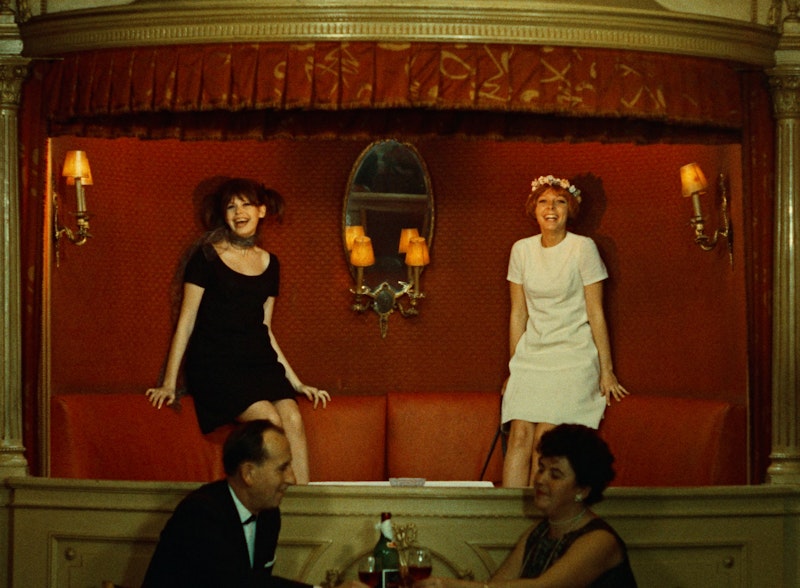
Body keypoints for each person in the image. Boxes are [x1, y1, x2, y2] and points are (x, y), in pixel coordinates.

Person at [146, 177, 329, 484]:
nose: (238, 212)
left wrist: (296, 382)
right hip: (216, 365)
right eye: (231, 206)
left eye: (246, 204)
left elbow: (265, 329)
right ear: (224, 214)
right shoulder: (206, 256)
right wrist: (168, 383)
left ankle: (302, 506)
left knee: (293, 418)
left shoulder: (271, 264)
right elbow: (186, 321)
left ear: (261, 211)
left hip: (257, 362)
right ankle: (277, 501)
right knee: (269, 420)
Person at [501, 175, 629, 487]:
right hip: (533, 357)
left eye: (559, 202)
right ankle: (506, 513)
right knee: (519, 435)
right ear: (534, 209)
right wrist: (514, 367)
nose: (551, 208)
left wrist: (606, 371)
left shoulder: (583, 248)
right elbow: (518, 313)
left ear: (569, 209)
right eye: (544, 202)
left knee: (545, 439)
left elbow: (596, 312)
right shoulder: (521, 250)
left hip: (572, 355)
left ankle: (538, 513)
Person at [143, 420, 370, 588]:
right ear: (248, 473)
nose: (292, 479)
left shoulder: (269, 514)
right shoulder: (200, 513)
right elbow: (238, 584)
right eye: (282, 468)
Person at [414, 424, 637, 588]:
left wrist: (450, 585)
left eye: (555, 474)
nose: (540, 479)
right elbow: (498, 583)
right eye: (541, 468)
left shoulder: (600, 541)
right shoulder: (539, 532)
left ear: (583, 490)